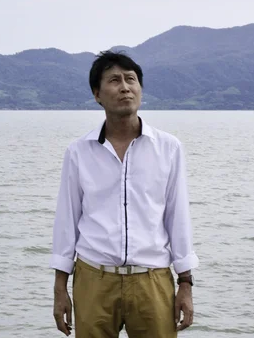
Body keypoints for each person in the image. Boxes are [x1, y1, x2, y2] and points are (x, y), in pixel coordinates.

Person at [50, 51, 199, 337]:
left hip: (152, 279)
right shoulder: (79, 152)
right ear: (97, 94)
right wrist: (60, 289)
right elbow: (66, 221)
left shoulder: (168, 148)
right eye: (114, 80)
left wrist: (185, 283)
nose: (125, 87)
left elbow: (177, 217)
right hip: (93, 278)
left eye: (131, 80)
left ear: (140, 90)